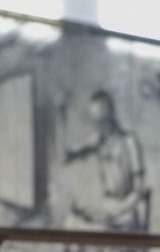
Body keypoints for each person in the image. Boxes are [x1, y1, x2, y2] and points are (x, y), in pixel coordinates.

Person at [62, 89, 149, 232]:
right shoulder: (98, 140)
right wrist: (62, 117)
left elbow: (139, 191)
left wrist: (118, 211)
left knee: (95, 233)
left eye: (103, 121)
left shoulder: (130, 142)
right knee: (70, 223)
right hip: (106, 207)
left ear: (112, 115)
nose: (99, 127)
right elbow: (68, 154)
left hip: (125, 213)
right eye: (95, 122)